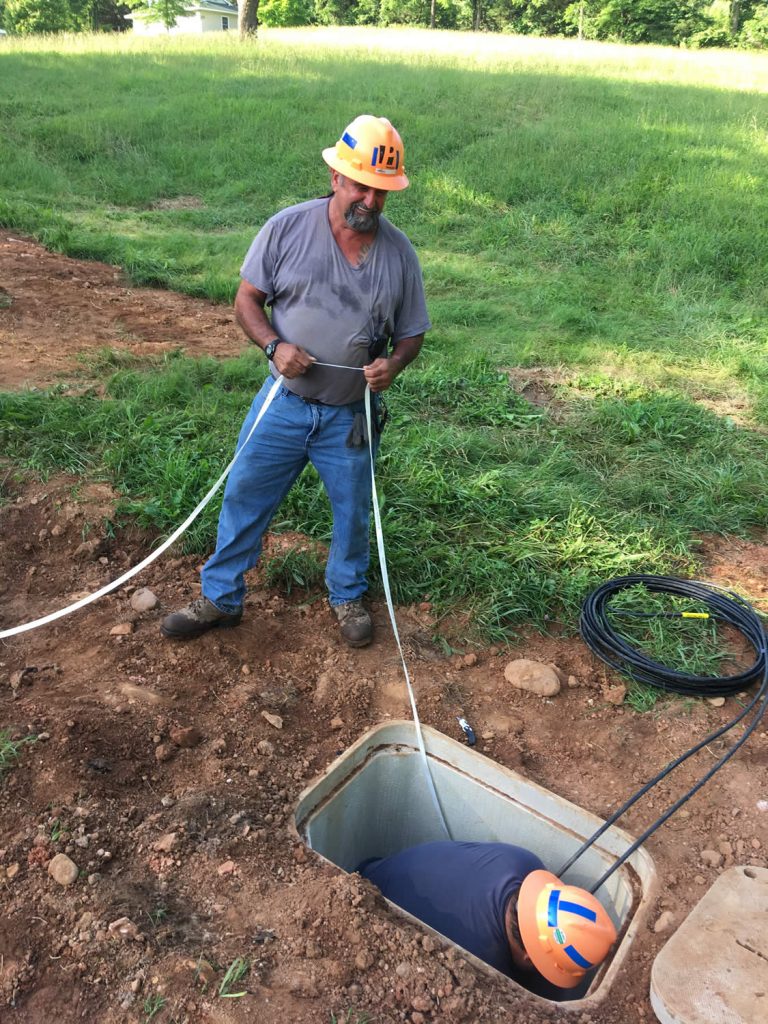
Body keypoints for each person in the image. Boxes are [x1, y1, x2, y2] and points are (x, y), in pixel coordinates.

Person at [161, 115, 430, 646]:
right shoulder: (286, 228)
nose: (370, 202)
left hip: (350, 416)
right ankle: (221, 597)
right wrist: (273, 346)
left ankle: (347, 596)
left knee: (353, 511)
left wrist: (393, 365)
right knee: (244, 494)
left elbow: (412, 334)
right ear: (336, 178)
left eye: (381, 193)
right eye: (361, 186)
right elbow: (246, 300)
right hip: (282, 404)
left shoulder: (399, 256)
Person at [358, 841, 617, 998]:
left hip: (375, 868)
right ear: (530, 958)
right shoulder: (481, 959)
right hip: (363, 904)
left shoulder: (526, 863)